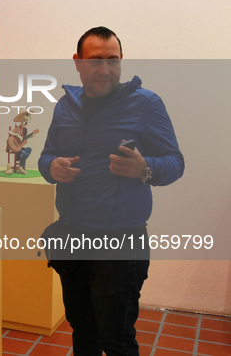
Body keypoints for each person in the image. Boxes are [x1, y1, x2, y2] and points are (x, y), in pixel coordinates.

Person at [38, 27, 184, 355]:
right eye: (95, 61)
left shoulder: (146, 104)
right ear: (77, 62)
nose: (105, 70)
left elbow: (176, 163)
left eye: (112, 60)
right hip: (71, 238)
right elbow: (46, 156)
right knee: (82, 330)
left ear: (121, 61)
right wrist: (52, 167)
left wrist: (145, 169)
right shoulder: (64, 106)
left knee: (115, 338)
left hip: (120, 243)